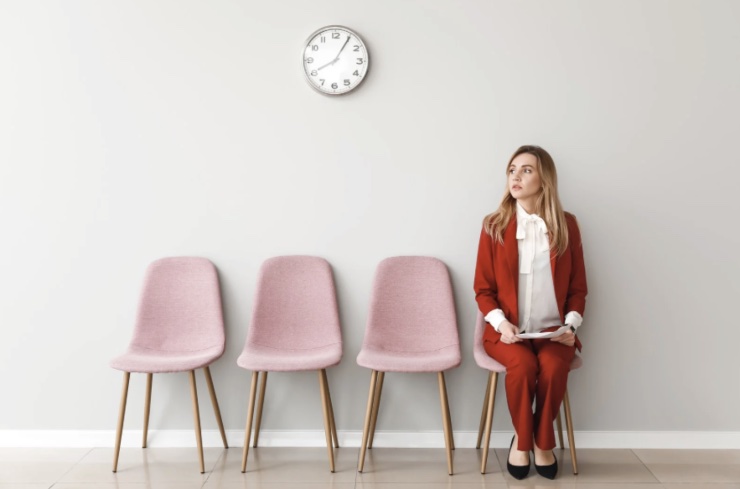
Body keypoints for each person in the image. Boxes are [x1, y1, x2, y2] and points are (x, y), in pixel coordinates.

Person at [474, 145, 587, 480]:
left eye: (526, 170)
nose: (516, 176)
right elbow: (483, 290)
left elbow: (579, 288)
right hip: (508, 332)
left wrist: (571, 325)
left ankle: (538, 441)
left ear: (544, 179)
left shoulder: (568, 225)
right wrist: (501, 323)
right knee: (522, 368)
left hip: (554, 332)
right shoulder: (494, 225)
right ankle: (528, 443)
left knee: (552, 367)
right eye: (512, 170)